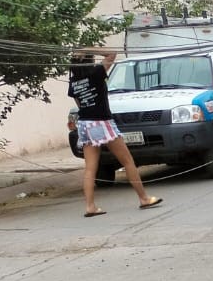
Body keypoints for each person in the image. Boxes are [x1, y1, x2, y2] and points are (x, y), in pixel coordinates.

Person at [68, 51, 162, 217]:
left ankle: (90, 206)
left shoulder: (73, 81)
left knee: (90, 168)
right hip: (102, 122)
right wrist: (89, 48)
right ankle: (144, 198)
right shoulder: (96, 72)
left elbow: (80, 103)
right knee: (127, 161)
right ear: (89, 60)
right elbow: (111, 54)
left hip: (84, 124)